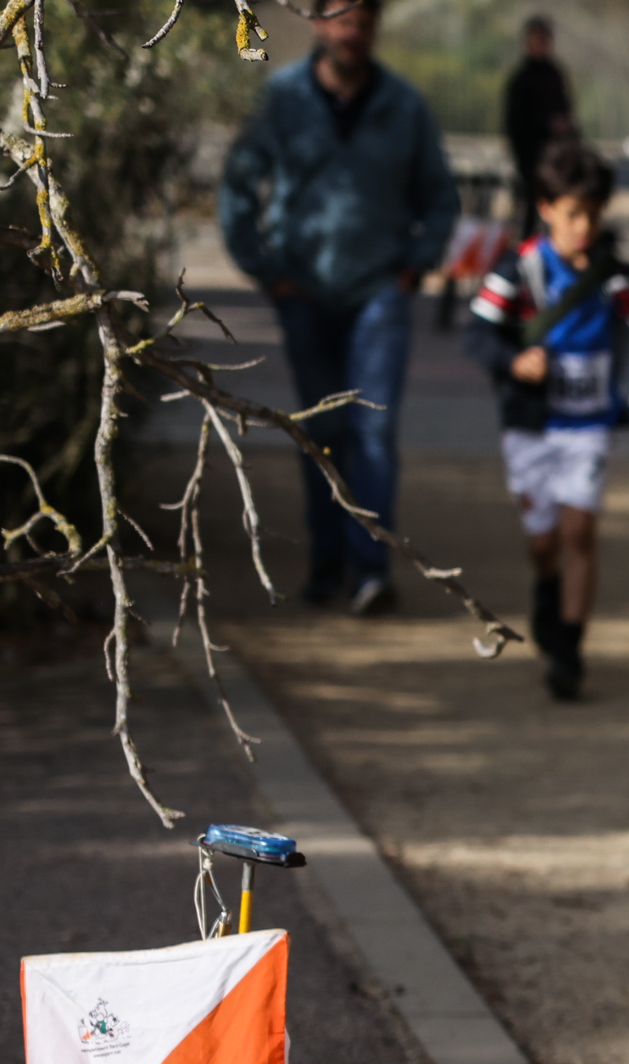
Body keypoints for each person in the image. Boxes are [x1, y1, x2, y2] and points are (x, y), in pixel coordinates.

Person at [219, 0, 458, 615]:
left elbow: (440, 196)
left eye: (364, 20)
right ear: (320, 23)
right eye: (342, 19)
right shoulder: (283, 99)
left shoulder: (404, 105)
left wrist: (415, 265)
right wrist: (266, 270)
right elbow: (240, 185)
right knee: (320, 430)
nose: (353, 32)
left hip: (380, 292)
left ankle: (370, 570)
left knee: (373, 428)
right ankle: (327, 566)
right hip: (304, 293)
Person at [464, 140, 629, 701]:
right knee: (544, 540)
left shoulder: (612, 273)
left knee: (580, 531)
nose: (584, 227)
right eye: (573, 214)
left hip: (590, 425)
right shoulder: (518, 270)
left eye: (593, 215)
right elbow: (479, 335)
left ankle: (569, 650)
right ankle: (546, 588)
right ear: (546, 208)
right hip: (531, 426)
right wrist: (515, 362)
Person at [503, 15, 576, 240]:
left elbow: (566, 111)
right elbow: (515, 122)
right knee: (527, 212)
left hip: (556, 158)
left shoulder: (555, 75)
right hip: (529, 157)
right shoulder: (521, 79)